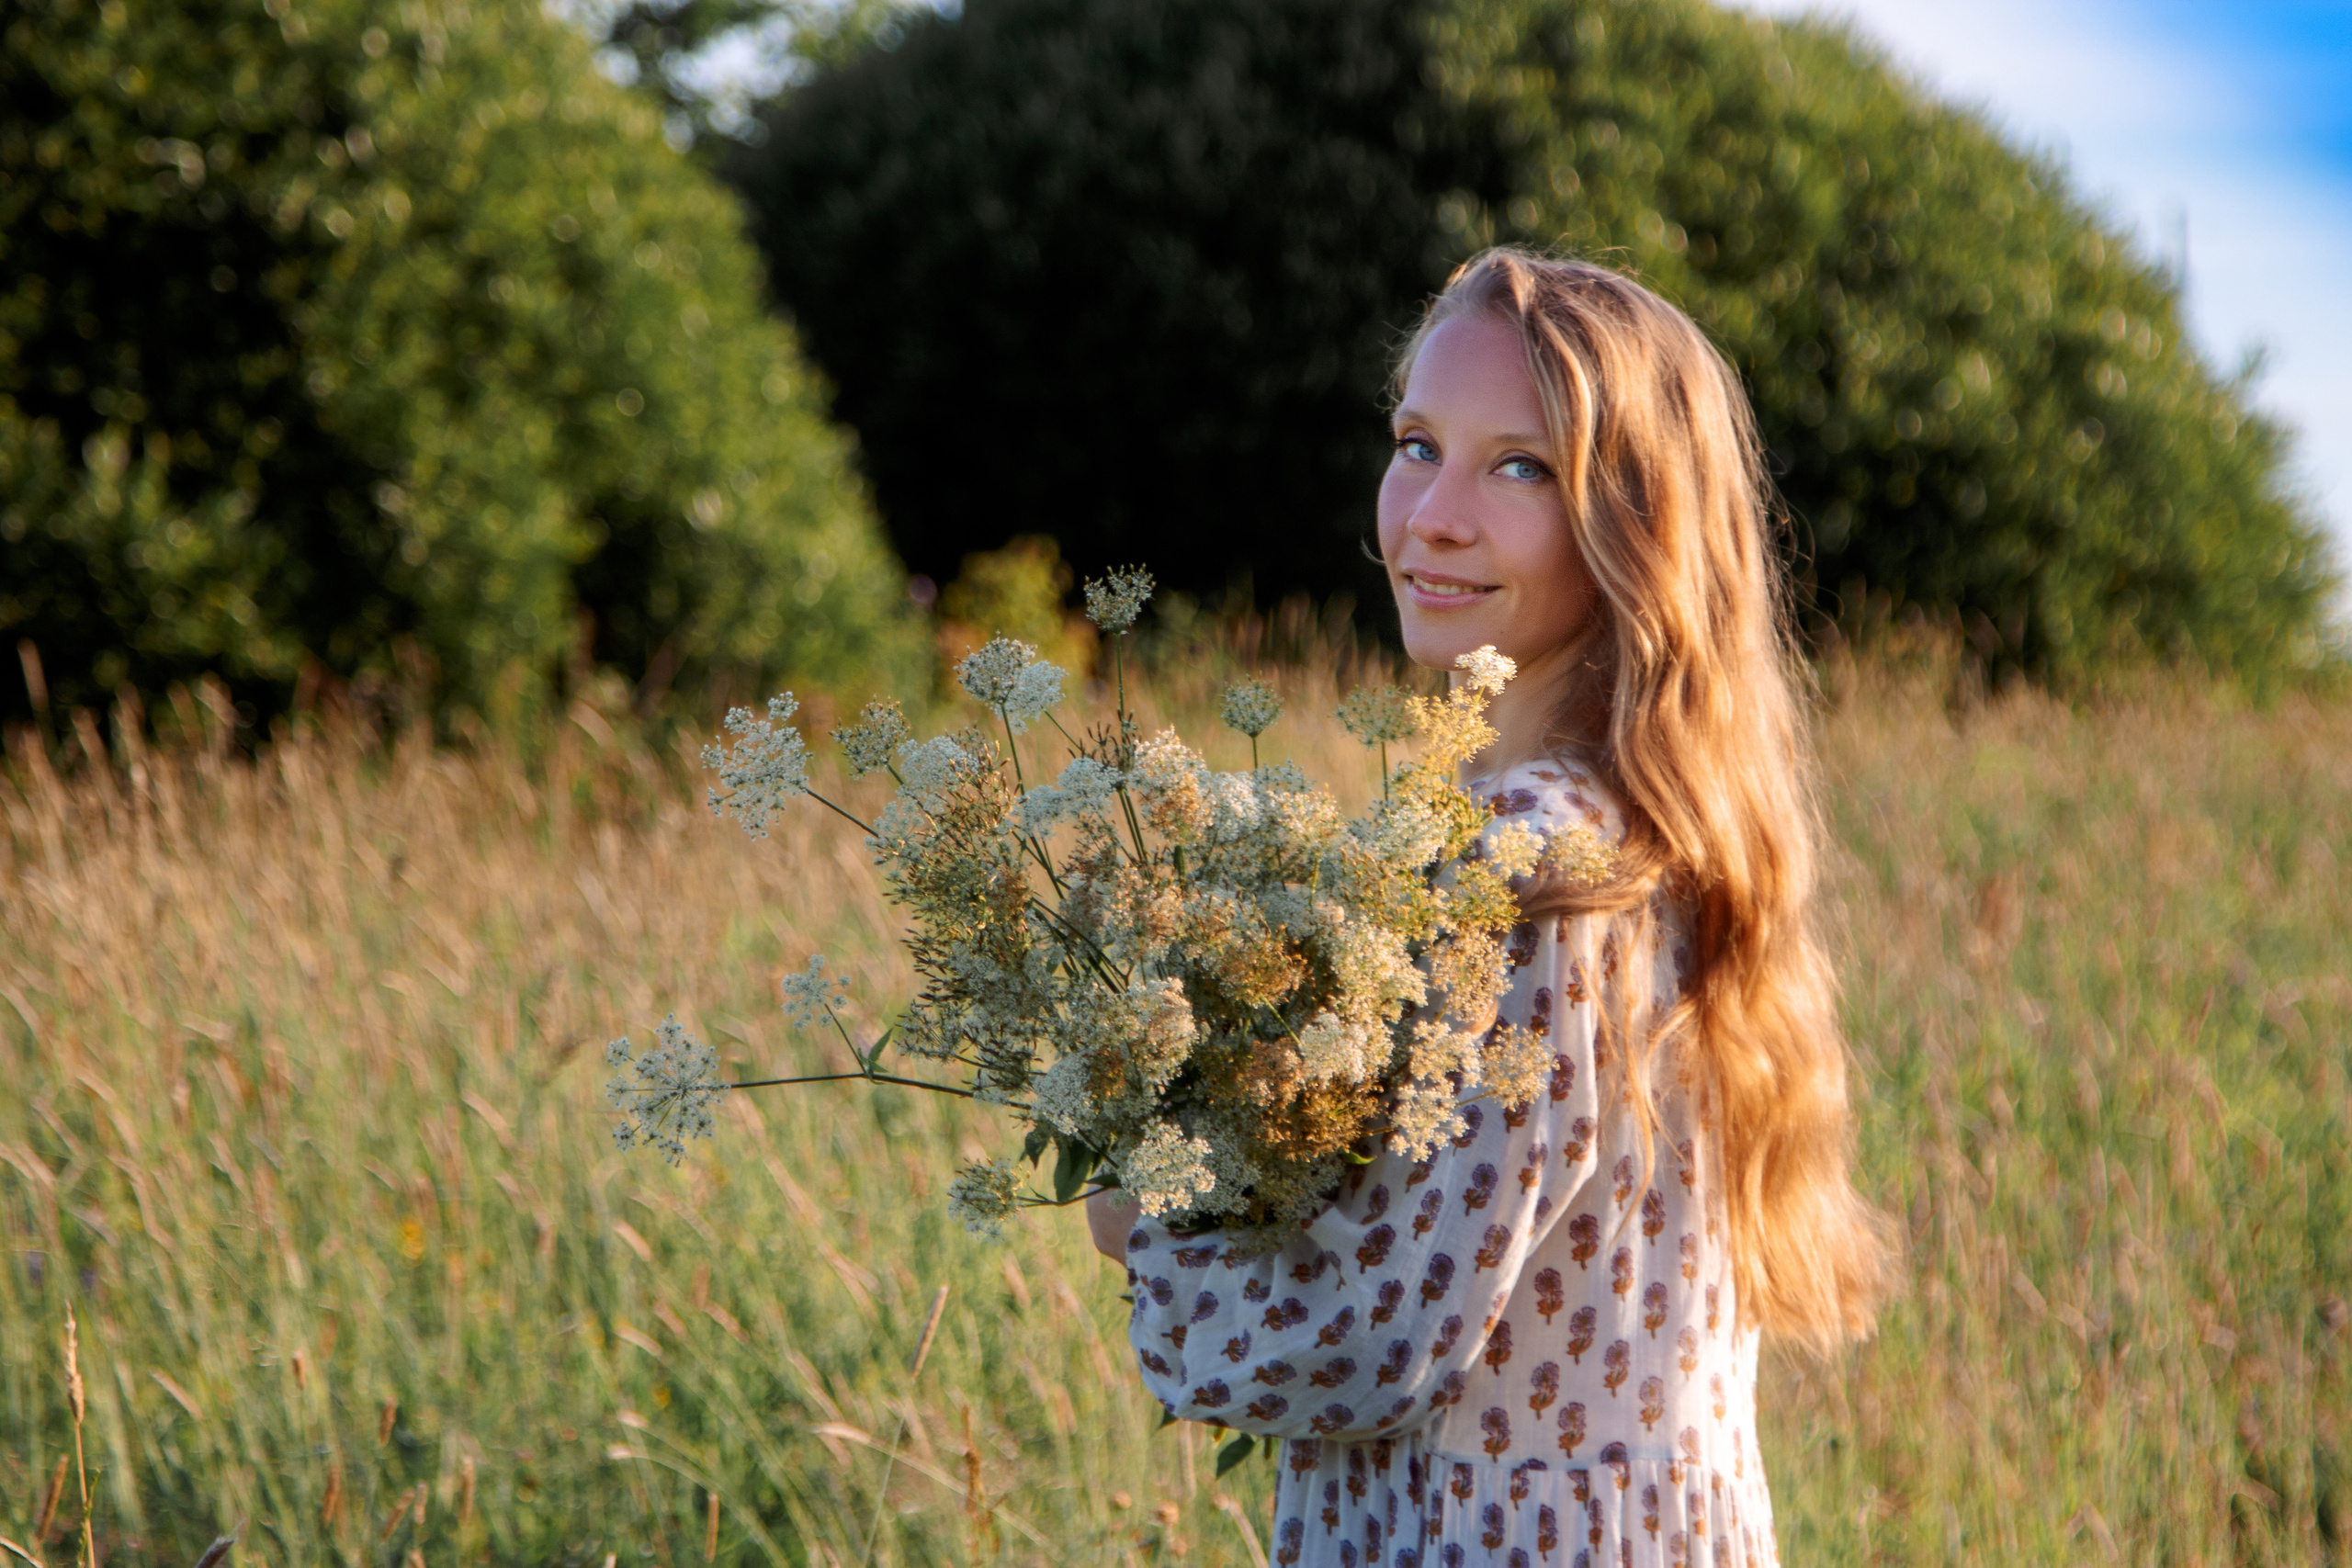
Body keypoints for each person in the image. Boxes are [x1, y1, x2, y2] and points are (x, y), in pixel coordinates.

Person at [1086, 247, 1894, 1567]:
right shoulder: (1622, 825)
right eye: (1418, 445)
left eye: (1520, 468)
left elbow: (1382, 1336)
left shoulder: (1541, 868)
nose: (1433, 516)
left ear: (1635, 523)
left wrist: (1149, 1226)